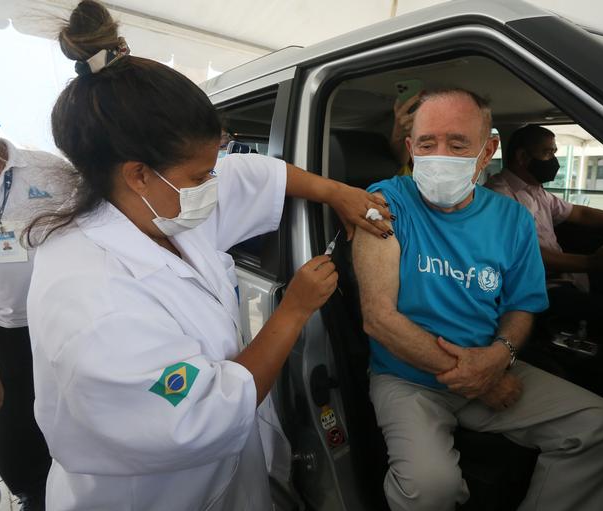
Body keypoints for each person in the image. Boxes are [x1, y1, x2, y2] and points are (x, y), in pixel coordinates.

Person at [24, 2, 392, 510]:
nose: (212, 186)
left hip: (224, 480)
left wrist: (336, 192)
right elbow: (203, 413)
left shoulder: (162, 209)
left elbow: (261, 175)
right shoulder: (92, 300)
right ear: (138, 173)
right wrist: (294, 311)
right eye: (201, 177)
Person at [353, 89, 603, 511]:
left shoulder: (513, 218)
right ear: (410, 148)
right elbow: (379, 318)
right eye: (427, 143)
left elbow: (522, 306)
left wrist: (498, 357)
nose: (439, 154)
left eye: (458, 143)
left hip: (489, 362)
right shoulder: (385, 203)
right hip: (406, 378)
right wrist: (480, 378)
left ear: (488, 151)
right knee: (430, 488)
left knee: (602, 426)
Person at [0, 97, 65, 510]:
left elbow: (95, 216)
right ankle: (32, 492)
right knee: (10, 423)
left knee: (71, 403)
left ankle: (78, 480)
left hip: (63, 316)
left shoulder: (46, 167)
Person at [485, 124, 603, 334]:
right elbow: (526, 255)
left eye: (554, 152)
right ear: (523, 156)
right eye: (547, 152)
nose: (553, 160)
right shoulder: (500, 196)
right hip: (534, 288)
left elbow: (580, 214)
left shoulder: (536, 191)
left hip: (560, 277)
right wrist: (591, 262)